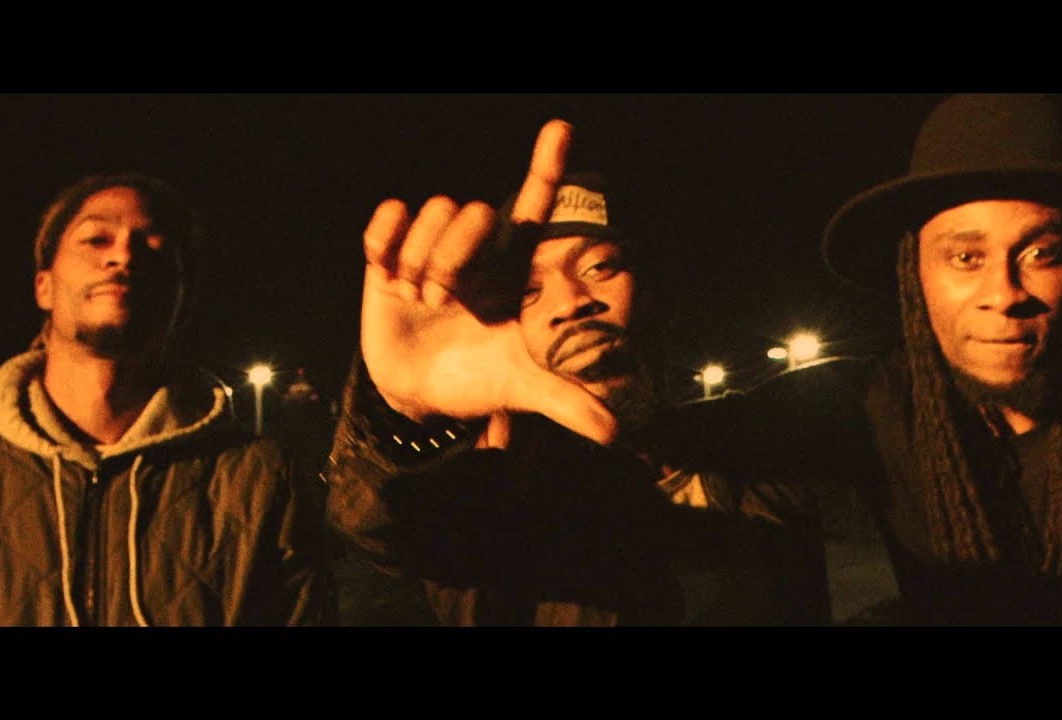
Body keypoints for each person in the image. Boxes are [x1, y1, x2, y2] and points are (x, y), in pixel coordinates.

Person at [324, 119, 831, 625]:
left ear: (657, 298)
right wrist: (399, 418)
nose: (569, 302)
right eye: (530, 290)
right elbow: (383, 524)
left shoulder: (760, 453)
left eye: (599, 267)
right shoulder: (492, 501)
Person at [820, 93, 1062, 624]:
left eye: (1040, 254)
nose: (1004, 292)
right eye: (966, 257)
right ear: (915, 273)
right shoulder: (880, 407)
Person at [0, 172, 334, 626]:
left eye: (154, 246)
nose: (124, 254)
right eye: (96, 239)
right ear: (43, 286)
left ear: (181, 297)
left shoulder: (261, 482)